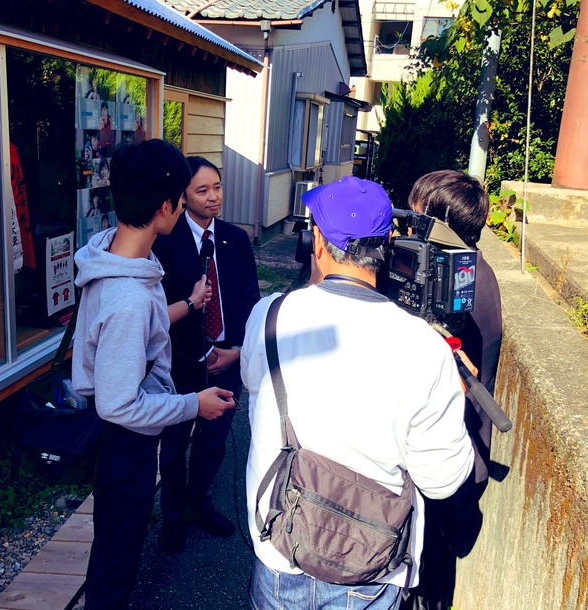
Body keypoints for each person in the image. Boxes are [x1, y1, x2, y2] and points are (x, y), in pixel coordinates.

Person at [241, 176, 475, 610]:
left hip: (280, 545)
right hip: (371, 566)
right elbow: (442, 481)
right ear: (387, 245)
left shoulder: (270, 316)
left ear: (318, 241)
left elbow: (255, 388)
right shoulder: (425, 347)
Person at [71, 139, 235, 610]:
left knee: (116, 543)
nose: (184, 206)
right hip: (126, 442)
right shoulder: (129, 298)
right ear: (165, 206)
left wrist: (189, 304)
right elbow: (119, 404)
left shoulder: (111, 251)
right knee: (117, 558)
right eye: (182, 198)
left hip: (121, 435)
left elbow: (141, 326)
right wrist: (193, 405)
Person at [399, 169, 502, 610]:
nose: (408, 225)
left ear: (437, 222)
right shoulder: (469, 268)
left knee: (428, 571)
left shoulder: (459, 284)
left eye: (417, 214)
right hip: (458, 452)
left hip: (447, 458)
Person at [153, 156, 260, 552]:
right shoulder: (164, 241)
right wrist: (199, 350)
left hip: (226, 360)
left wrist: (236, 350)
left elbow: (250, 299)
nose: (213, 197)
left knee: (214, 441)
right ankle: (172, 515)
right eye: (202, 190)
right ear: (183, 196)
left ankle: (199, 501)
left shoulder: (235, 238)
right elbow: (159, 309)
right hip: (181, 365)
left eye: (217, 187)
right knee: (174, 444)